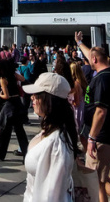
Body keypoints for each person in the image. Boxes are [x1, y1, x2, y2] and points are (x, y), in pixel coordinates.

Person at [74, 31, 110, 202]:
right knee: (102, 181)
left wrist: (91, 138)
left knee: (95, 182)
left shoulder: (103, 79)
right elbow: (92, 54)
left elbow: (101, 111)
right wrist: (79, 42)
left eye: (90, 58)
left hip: (102, 138)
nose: (88, 60)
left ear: (94, 60)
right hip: (109, 135)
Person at [22, 72, 80, 202]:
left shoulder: (57, 143)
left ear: (50, 100)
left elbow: (52, 196)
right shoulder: (50, 131)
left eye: (37, 95)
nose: (32, 98)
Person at [0, 57, 29, 161]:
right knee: (20, 132)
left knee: (4, 132)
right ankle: (27, 155)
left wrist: (0, 94)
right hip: (18, 103)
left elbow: (6, 96)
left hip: (9, 105)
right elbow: (23, 79)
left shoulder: (3, 79)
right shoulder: (13, 75)